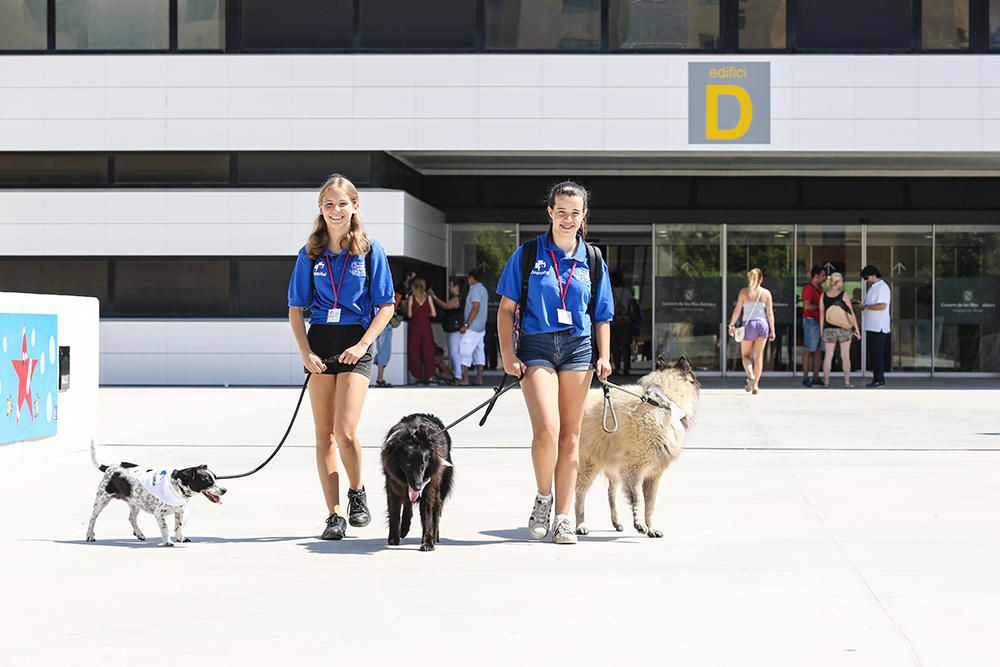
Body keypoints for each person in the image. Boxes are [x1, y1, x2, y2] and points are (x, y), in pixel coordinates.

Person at [496, 181, 613, 545]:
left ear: (583, 217)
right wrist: (507, 354)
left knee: (571, 435)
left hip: (577, 348)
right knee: (547, 427)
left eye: (575, 213)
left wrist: (604, 356)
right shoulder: (529, 255)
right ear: (550, 212)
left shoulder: (591, 260)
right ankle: (543, 499)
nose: (567, 219)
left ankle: (564, 516)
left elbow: (601, 315)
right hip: (537, 346)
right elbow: (505, 309)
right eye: (561, 211)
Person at [287, 174, 395, 540]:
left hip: (355, 342)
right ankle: (334, 515)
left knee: (345, 431)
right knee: (323, 436)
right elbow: (295, 309)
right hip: (321, 344)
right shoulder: (310, 253)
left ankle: (357, 492)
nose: (336, 211)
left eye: (342, 204)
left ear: (355, 207)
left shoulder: (369, 249)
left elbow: (386, 306)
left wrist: (363, 345)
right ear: (321, 209)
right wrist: (306, 352)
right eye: (329, 204)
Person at [727, 267, 775, 395]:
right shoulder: (766, 293)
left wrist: (731, 325)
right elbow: (769, 313)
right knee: (758, 356)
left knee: (746, 356)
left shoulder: (744, 292)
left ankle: (751, 375)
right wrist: (772, 330)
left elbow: (737, 311)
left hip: (749, 326)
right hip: (763, 325)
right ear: (761, 279)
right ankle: (756, 386)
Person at [818, 272, 861, 388]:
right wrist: (857, 329)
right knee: (845, 355)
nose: (842, 282)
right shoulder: (844, 295)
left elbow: (821, 315)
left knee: (828, 356)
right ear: (837, 282)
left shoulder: (823, 295)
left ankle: (826, 382)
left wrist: (821, 330)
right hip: (844, 329)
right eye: (841, 280)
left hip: (829, 329)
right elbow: (851, 313)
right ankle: (847, 382)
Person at [860, 265, 891, 388]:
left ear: (873, 275)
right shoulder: (873, 288)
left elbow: (882, 305)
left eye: (866, 277)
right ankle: (876, 378)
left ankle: (880, 379)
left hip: (879, 326)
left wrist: (866, 307)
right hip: (871, 326)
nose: (866, 280)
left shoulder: (882, 287)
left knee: (877, 354)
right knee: (873, 354)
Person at [431, 278, 464, 384]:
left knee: (454, 352)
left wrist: (434, 296)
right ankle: (457, 374)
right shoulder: (456, 298)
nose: (449, 288)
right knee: (453, 352)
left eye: (451, 286)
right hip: (451, 329)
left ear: (457, 287)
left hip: (454, 330)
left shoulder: (457, 299)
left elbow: (445, 306)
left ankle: (458, 375)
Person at [459, 267, 489, 385]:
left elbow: (475, 308)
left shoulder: (475, 290)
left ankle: (465, 379)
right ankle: (479, 378)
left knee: (465, 352)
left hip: (472, 327)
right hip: (481, 327)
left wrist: (466, 324)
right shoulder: (483, 289)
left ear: (471, 278)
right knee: (479, 352)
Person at [406, 277, 436, 385]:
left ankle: (418, 377)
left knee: (415, 352)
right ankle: (429, 376)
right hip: (426, 327)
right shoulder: (428, 298)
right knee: (428, 351)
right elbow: (434, 314)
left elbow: (410, 315)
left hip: (415, 327)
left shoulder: (411, 298)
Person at [801, 266, 826, 387]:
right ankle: (805, 377)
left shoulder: (820, 288)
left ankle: (816, 377)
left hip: (820, 321)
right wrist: (821, 306)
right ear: (815, 276)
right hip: (811, 322)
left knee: (818, 350)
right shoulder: (808, 289)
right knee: (809, 349)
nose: (824, 278)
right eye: (823, 276)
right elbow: (807, 307)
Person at [374, 289, 402, 387]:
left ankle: (379, 377)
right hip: (384, 323)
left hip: (378, 323)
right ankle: (379, 378)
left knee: (382, 351)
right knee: (384, 351)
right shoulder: (385, 294)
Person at [610, 271, 633, 375]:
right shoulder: (627, 292)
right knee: (625, 345)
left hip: (614, 320)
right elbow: (631, 305)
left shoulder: (610, 291)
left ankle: (617, 367)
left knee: (614, 345)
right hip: (625, 320)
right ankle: (626, 367)